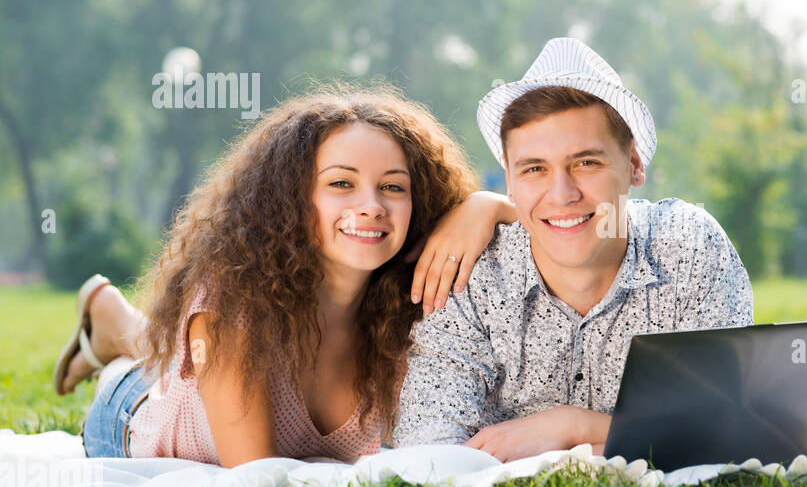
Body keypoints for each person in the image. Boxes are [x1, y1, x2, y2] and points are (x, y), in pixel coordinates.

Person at [54, 83, 516, 467]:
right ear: (289, 199)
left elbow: (549, 239)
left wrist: (485, 206)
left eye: (393, 187)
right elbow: (256, 479)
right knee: (156, 366)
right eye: (341, 183)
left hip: (186, 373)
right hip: (133, 414)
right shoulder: (232, 304)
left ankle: (113, 322)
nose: (372, 205)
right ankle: (115, 326)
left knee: (170, 354)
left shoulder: (412, 296)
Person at [393, 38, 753, 461]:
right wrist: (638, 437)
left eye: (586, 163)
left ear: (634, 165)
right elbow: (427, 445)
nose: (562, 194)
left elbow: (729, 422)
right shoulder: (472, 270)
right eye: (535, 169)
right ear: (509, 179)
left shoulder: (687, 246)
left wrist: (569, 427)